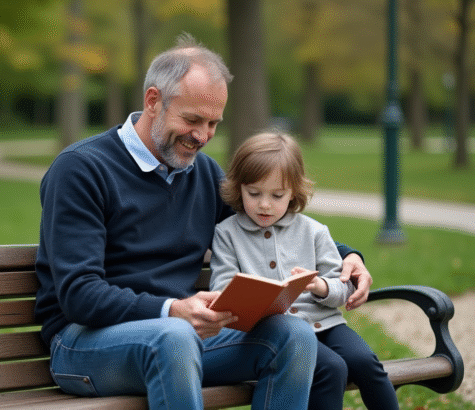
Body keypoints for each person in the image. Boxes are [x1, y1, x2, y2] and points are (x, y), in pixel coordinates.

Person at [34, 33, 372, 410]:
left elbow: (264, 223)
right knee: (173, 337)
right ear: (152, 102)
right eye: (193, 119)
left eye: (213, 123)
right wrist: (171, 310)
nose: (203, 136)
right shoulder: (81, 169)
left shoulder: (202, 174)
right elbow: (79, 294)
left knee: (293, 333)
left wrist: (346, 256)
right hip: (83, 344)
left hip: (180, 339)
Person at [209, 132, 398, 410]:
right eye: (254, 193)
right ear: (239, 188)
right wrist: (254, 296)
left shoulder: (314, 231)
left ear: (294, 192)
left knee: (365, 362)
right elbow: (222, 288)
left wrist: (320, 286)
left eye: (277, 195)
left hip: (327, 324)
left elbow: (343, 286)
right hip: (275, 331)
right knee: (332, 368)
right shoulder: (227, 234)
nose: (264, 204)